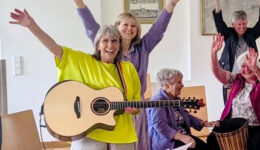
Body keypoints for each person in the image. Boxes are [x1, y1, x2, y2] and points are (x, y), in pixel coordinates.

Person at [10, 8, 141, 150]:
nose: (110, 45)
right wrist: (31, 25)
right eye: (105, 40)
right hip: (88, 134)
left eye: (115, 41)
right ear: (98, 45)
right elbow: (54, 48)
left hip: (122, 136)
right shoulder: (83, 61)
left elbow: (136, 99)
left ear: (119, 45)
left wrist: (134, 108)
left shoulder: (128, 68)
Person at [73, 0, 181, 149]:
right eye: (125, 24)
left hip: (136, 106)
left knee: (138, 145)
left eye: (134, 26)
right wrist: (78, 2)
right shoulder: (106, 46)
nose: (129, 28)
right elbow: (90, 27)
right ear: (116, 26)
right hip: (112, 107)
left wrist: (171, 5)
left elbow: (158, 30)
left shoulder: (143, 47)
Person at [207, 33, 260, 150]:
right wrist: (213, 53)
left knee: (255, 144)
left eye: (248, 66)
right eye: (242, 66)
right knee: (212, 139)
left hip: (255, 126)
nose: (245, 69)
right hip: (234, 124)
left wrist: (255, 70)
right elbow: (218, 72)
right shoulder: (237, 79)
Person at [146, 68, 219, 150]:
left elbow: (186, 116)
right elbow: (160, 126)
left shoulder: (175, 99)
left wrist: (203, 123)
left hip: (183, 138)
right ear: (167, 85)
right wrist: (182, 137)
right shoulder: (157, 101)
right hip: (168, 143)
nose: (182, 85)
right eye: (179, 82)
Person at [213, 0, 260, 104]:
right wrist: (217, 4)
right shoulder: (228, 34)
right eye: (239, 24)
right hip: (232, 75)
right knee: (230, 104)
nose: (242, 27)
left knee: (251, 104)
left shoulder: (251, 34)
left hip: (249, 76)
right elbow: (219, 23)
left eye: (244, 24)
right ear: (233, 24)